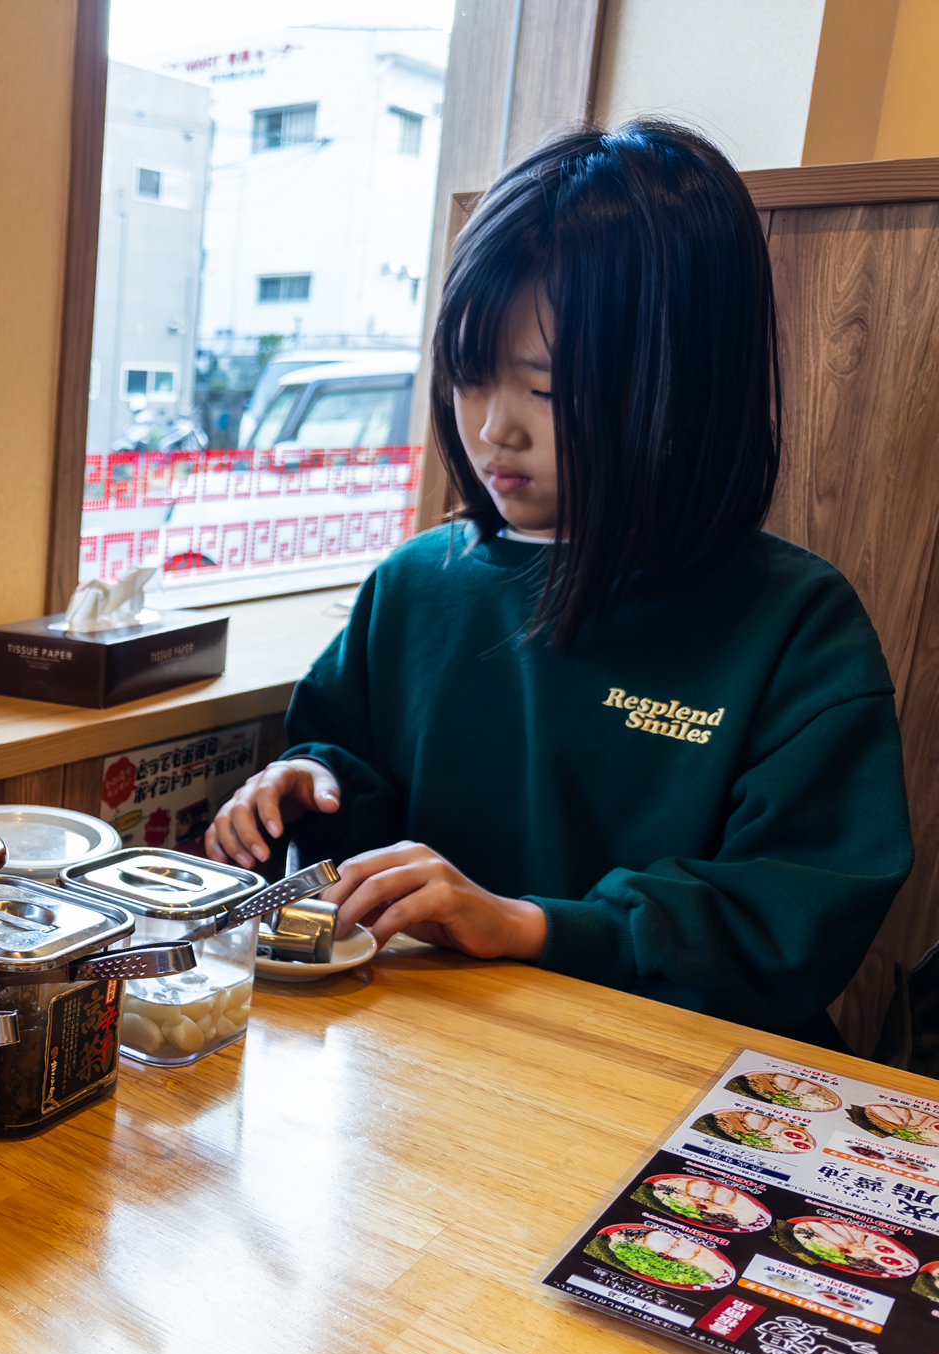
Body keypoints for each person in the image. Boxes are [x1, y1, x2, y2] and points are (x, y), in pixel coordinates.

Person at [205, 119, 911, 1048]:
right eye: (471, 374)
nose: (493, 428)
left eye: (547, 388)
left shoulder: (795, 625)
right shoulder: (417, 582)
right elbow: (359, 771)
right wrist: (310, 787)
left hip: (663, 1067)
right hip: (429, 1048)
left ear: (684, 389)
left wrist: (531, 926)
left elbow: (790, 921)